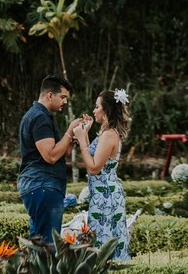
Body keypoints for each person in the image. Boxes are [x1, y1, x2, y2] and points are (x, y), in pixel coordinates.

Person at [18, 74, 89, 246]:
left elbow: (57, 153)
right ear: (50, 95)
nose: (65, 102)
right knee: (48, 245)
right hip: (42, 185)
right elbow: (50, 156)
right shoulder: (40, 118)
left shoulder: (40, 116)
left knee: (38, 243)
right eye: (63, 97)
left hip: (40, 186)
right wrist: (69, 130)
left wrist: (71, 138)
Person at [72, 88, 131, 261]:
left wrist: (82, 139)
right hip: (103, 196)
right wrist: (87, 134)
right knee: (102, 241)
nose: (93, 110)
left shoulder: (108, 135)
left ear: (105, 111)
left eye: (97, 106)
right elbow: (94, 158)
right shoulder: (107, 133)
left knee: (104, 245)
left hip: (106, 199)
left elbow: (93, 168)